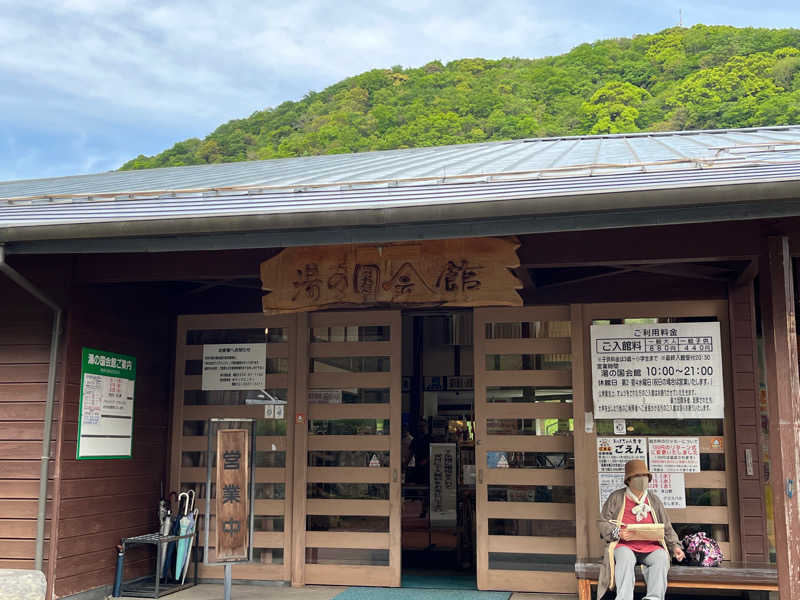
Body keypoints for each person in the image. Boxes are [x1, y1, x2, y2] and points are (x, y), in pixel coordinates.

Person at [596, 459, 685, 600]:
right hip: (624, 545)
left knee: (662, 557)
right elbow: (602, 522)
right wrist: (618, 532)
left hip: (650, 546)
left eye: (644, 476)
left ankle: (653, 598)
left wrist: (675, 547)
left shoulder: (654, 500)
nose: (642, 479)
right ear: (629, 480)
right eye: (637, 476)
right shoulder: (616, 497)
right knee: (625, 558)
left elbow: (666, 526)